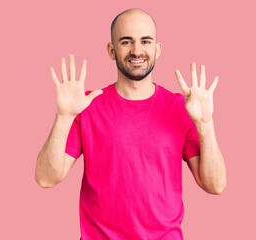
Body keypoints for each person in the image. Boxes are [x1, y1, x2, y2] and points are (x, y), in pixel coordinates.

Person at [35, 8, 226, 240]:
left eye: (145, 41)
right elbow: (46, 178)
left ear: (157, 49)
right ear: (111, 50)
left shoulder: (183, 109)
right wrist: (63, 117)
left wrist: (205, 123)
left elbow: (215, 186)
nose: (137, 50)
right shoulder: (85, 106)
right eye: (126, 41)